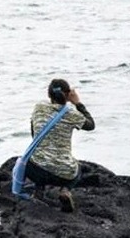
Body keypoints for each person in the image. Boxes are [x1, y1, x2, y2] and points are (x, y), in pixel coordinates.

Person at [25, 78, 95, 212]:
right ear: (68, 95)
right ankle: (65, 190)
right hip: (63, 175)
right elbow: (91, 125)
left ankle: (38, 190)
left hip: (35, 170)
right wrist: (78, 103)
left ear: (48, 94)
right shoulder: (72, 114)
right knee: (77, 167)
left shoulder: (39, 108)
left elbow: (34, 134)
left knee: (36, 157)